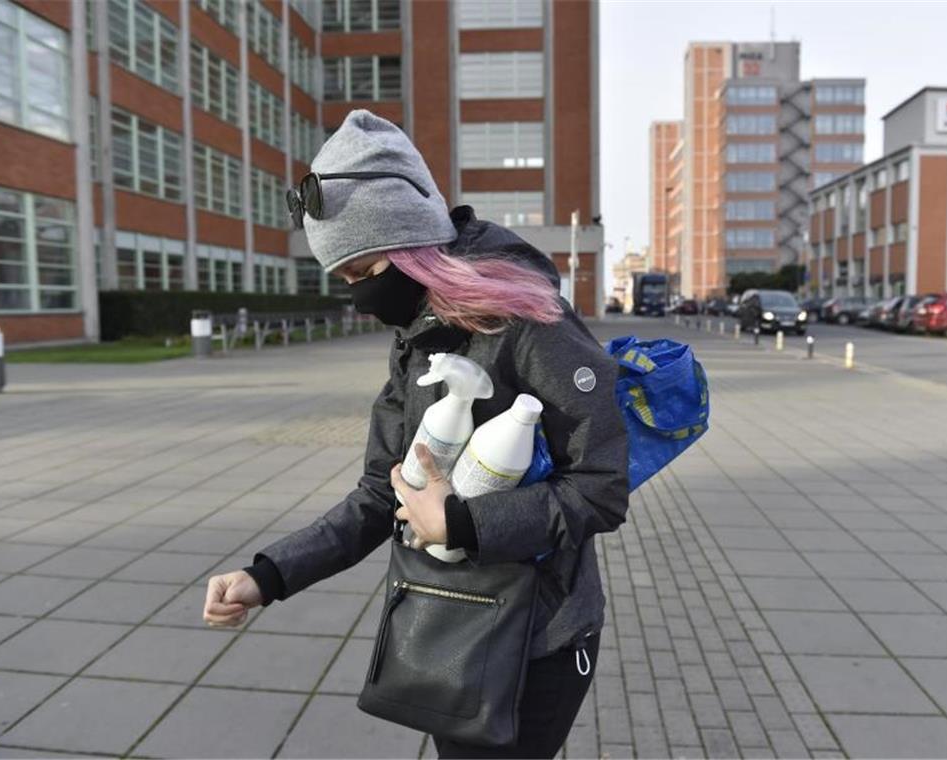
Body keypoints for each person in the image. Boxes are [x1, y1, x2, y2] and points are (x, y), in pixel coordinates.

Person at [202, 109, 629, 759]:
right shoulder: (418, 338)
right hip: (450, 620)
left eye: (360, 273)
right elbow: (382, 490)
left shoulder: (529, 325)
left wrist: (461, 525)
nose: (357, 298)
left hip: (535, 639)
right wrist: (269, 575)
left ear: (407, 244)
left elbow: (600, 490)